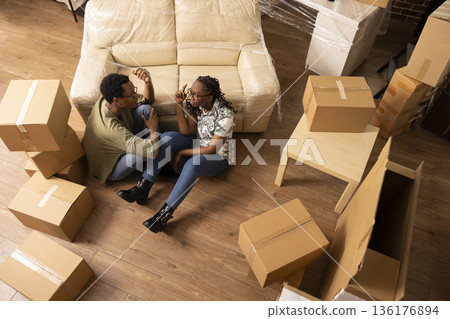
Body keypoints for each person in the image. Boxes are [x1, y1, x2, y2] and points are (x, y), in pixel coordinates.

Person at [140, 75, 236, 233]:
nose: (191, 96)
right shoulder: (198, 105)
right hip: (199, 143)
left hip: (220, 157)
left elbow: (212, 149)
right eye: (191, 92)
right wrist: (179, 104)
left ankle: (164, 216)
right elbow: (185, 131)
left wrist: (182, 152)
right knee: (167, 137)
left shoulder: (226, 116)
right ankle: (143, 185)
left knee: (193, 164)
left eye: (195, 95)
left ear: (209, 97)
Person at [83, 68, 159, 204]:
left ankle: (148, 178)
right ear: (116, 100)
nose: (135, 95)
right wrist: (152, 128)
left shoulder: (109, 98)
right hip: (112, 166)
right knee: (142, 153)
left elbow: (147, 101)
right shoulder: (112, 129)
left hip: (120, 141)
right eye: (131, 94)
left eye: (134, 90)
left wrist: (147, 82)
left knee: (146, 110)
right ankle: (154, 172)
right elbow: (150, 151)